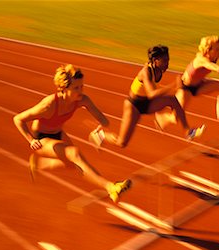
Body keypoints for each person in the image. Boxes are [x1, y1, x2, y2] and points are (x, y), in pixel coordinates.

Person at [13, 64, 131, 203]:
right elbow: (18, 119)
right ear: (63, 89)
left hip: (58, 133)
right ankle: (111, 187)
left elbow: (104, 120)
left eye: (82, 86)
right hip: (41, 138)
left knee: (72, 164)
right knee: (73, 153)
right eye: (76, 88)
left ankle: (39, 164)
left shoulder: (81, 99)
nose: (80, 91)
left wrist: (99, 129)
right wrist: (30, 140)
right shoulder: (48, 105)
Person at [89, 45, 205, 149]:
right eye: (164, 61)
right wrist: (174, 85)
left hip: (147, 103)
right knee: (122, 143)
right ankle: (100, 135)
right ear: (155, 60)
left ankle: (188, 131)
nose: (167, 64)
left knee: (173, 101)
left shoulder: (159, 70)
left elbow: (151, 96)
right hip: (134, 105)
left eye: (168, 60)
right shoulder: (146, 71)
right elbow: (152, 94)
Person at [154, 35, 219, 130]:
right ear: (208, 51)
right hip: (185, 89)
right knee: (175, 118)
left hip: (199, 85)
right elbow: (218, 69)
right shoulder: (202, 60)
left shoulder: (213, 55)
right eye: (217, 49)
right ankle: (162, 118)